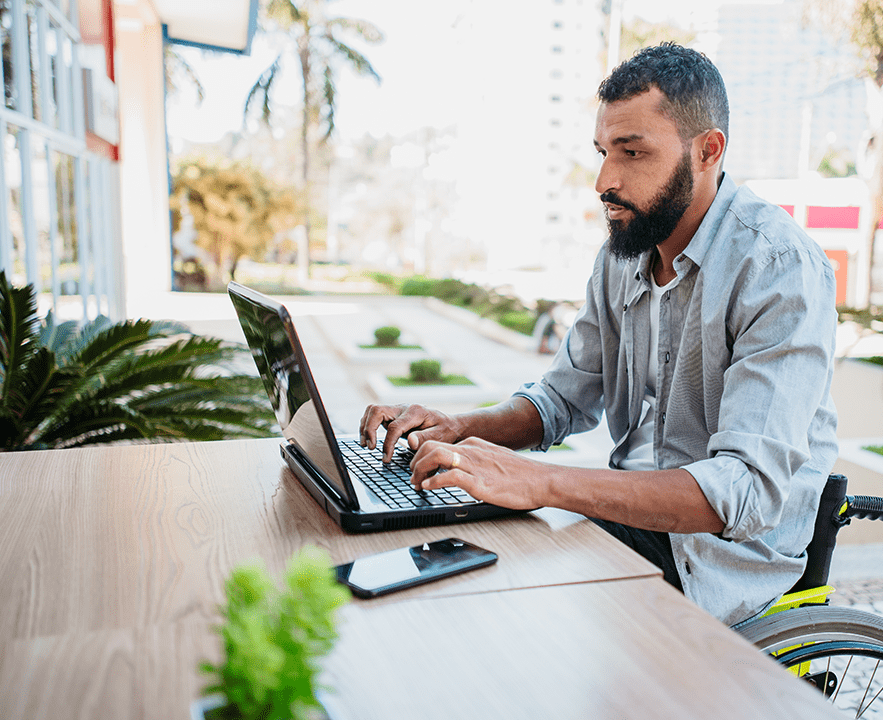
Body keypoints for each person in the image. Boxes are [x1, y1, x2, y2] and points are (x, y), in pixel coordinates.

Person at [359, 43, 838, 627]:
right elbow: (562, 399)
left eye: (632, 153)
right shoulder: (622, 256)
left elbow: (744, 491)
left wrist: (541, 481)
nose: (604, 180)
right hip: (627, 526)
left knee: (497, 605)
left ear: (708, 151)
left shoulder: (779, 268)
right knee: (436, 553)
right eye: (603, 152)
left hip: (719, 562)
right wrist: (459, 429)